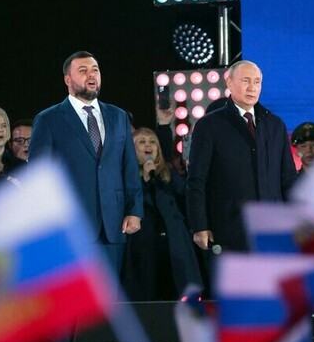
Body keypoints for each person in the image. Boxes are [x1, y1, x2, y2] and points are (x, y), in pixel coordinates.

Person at [31, 50, 143, 342]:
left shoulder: (117, 116)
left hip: (112, 225)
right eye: (83, 70)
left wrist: (134, 210)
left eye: (95, 69)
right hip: (69, 227)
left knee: (103, 302)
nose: (91, 75)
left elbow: (128, 168)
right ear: (68, 79)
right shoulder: (50, 119)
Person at [186, 60, 297, 258]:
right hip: (230, 229)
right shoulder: (209, 125)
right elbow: (197, 180)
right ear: (229, 83)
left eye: (257, 82)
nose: (252, 87)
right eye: (245, 80)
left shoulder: (275, 125)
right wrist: (200, 225)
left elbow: (288, 177)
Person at [121, 127, 202, 301]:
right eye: (142, 142)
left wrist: (191, 171)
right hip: (143, 244)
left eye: (152, 142)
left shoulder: (168, 173)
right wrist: (145, 178)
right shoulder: (126, 176)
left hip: (173, 242)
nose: (148, 145)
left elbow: (186, 194)